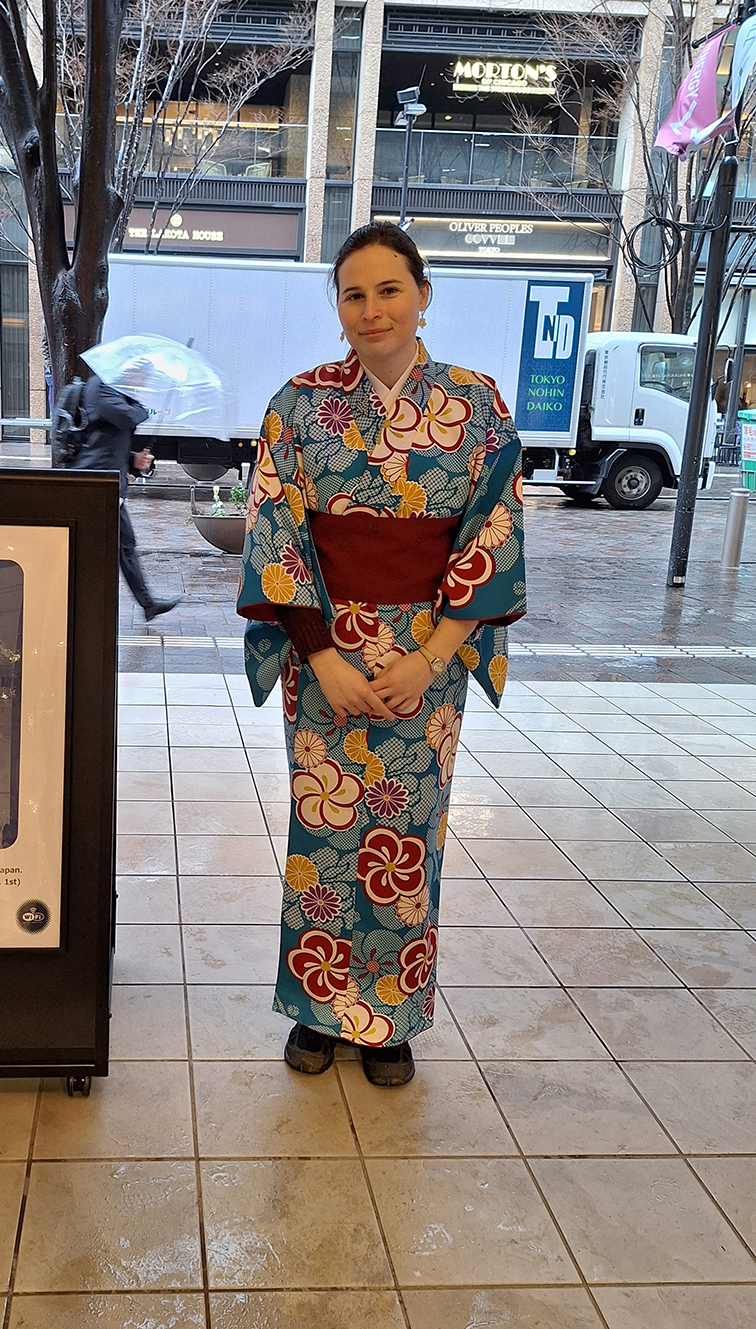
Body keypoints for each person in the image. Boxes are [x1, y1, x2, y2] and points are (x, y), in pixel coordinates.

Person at [237, 222, 525, 1087]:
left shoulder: (476, 407)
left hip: (424, 659)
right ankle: (319, 1007)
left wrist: (432, 657)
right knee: (323, 829)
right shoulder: (297, 406)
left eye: (389, 290)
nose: (372, 311)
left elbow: (492, 535)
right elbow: (275, 527)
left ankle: (387, 1016)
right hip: (322, 650)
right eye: (353, 295)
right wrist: (320, 655)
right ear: (338, 310)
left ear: (424, 294)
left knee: (407, 834)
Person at [73, 372, 182, 623]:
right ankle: (81, 605)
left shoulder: (111, 390)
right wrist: (145, 406)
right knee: (100, 549)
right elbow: (129, 417)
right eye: (140, 377)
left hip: (106, 480)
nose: (142, 382)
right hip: (98, 483)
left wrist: (134, 460)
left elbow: (107, 440)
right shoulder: (102, 388)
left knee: (125, 546)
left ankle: (148, 604)